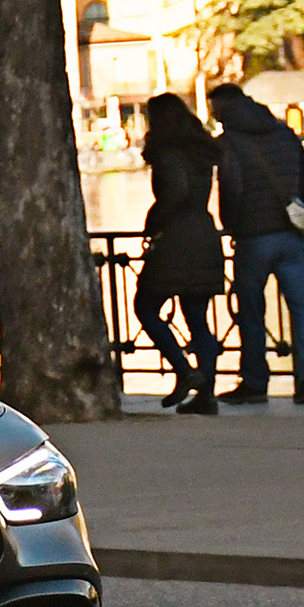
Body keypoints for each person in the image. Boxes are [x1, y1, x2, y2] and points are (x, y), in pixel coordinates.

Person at [209, 82, 304, 405]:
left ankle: (255, 380)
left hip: (253, 237)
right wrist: (299, 212)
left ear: (223, 110)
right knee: (302, 305)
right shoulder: (284, 133)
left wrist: (232, 224)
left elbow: (230, 190)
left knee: (250, 309)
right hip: (290, 234)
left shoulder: (230, 143)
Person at [135, 94, 226, 416]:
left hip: (177, 239)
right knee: (198, 318)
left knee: (145, 306)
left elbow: (176, 193)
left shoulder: (168, 155)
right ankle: (207, 393)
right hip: (204, 233)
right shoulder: (201, 152)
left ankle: (184, 370)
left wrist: (153, 221)